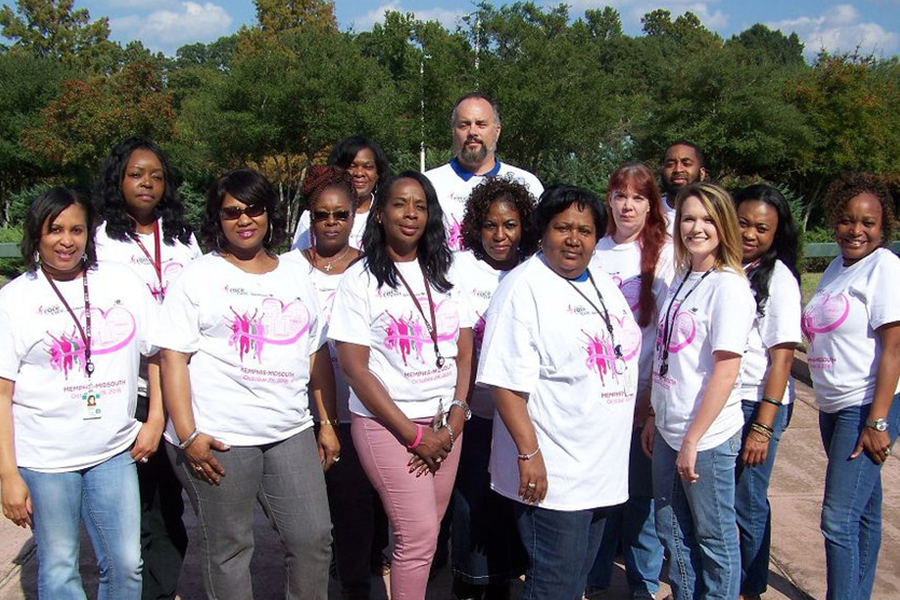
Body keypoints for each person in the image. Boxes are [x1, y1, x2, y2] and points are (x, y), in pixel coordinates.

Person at [157, 168, 337, 600]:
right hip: (219, 436)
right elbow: (172, 359)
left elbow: (315, 356)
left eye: (253, 209)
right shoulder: (198, 276)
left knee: (313, 538)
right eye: (232, 211)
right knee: (230, 548)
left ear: (268, 214)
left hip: (288, 430)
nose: (244, 219)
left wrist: (326, 422)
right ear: (217, 219)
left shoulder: (295, 275)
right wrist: (188, 435)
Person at [477, 185, 640, 600]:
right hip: (555, 475)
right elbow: (505, 384)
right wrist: (530, 454)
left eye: (585, 230)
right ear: (541, 232)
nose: (573, 238)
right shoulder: (523, 288)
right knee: (555, 588)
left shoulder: (599, 280)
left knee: (573, 584)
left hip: (600, 471)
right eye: (562, 227)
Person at [0, 188, 159, 598]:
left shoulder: (121, 282)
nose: (66, 240)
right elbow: (2, 394)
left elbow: (158, 353)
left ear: (90, 234)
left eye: (76, 229)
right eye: (55, 230)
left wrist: (155, 418)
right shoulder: (15, 299)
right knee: (58, 567)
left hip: (113, 452)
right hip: (46, 460)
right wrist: (8, 475)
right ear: (37, 234)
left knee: (126, 564)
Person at [329, 171, 475, 600]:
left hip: (445, 424)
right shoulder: (360, 280)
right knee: (418, 534)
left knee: (426, 533)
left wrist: (458, 416)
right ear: (379, 215)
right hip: (389, 424)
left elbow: (464, 351)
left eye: (420, 205)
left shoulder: (447, 271)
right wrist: (414, 436)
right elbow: (355, 369)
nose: (410, 214)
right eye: (399, 204)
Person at [94, 135, 201, 600]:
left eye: (156, 176)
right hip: (129, 389)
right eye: (137, 174)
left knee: (167, 505)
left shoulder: (181, 236)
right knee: (130, 506)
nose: (147, 184)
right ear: (118, 180)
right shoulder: (99, 240)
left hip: (180, 384)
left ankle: (163, 588)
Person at [641, 182, 755, 600]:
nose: (696, 227)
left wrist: (691, 440)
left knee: (714, 538)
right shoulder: (684, 277)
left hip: (705, 436)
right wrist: (655, 415)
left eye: (708, 219)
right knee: (671, 528)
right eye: (688, 218)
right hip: (671, 427)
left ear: (724, 225)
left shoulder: (728, 286)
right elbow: (669, 355)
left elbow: (725, 371)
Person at [285, 164, 390, 600]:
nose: (331, 223)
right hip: (295, 410)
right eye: (322, 215)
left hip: (353, 408)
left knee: (355, 508)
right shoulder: (287, 268)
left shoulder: (371, 270)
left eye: (341, 215)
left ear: (354, 217)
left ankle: (355, 583)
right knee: (305, 516)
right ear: (310, 216)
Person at [801, 173, 900, 600]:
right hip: (832, 404)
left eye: (867, 223)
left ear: (883, 227)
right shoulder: (837, 268)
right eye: (846, 220)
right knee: (862, 514)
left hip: (866, 405)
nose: (856, 230)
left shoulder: (884, 268)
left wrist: (878, 421)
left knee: (837, 519)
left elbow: (894, 348)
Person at [586, 163, 673, 600]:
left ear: (651, 204)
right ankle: (594, 577)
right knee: (601, 494)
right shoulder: (594, 250)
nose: (627, 205)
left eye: (638, 197)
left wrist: (651, 401)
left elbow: (672, 334)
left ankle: (643, 584)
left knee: (640, 498)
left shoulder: (665, 254)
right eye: (620, 195)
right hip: (601, 396)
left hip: (644, 397)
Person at [449, 175, 538, 600]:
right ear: (475, 227)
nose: (500, 235)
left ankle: (502, 580)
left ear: (524, 226)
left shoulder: (536, 269)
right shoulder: (460, 267)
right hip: (472, 408)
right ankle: (467, 579)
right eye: (490, 225)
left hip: (519, 412)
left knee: (509, 502)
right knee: (470, 503)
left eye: (510, 225)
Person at [732, 185, 802, 600]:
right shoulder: (722, 269)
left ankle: (749, 588)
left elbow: (782, 359)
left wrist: (763, 425)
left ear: (777, 235)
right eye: (743, 222)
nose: (751, 234)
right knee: (728, 499)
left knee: (749, 500)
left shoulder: (779, 280)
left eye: (762, 228)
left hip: (757, 403)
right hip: (724, 401)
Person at [425, 92, 543, 250]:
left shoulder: (527, 183)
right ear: (454, 131)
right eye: (464, 125)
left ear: (497, 131)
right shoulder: (428, 184)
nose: (472, 132)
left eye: (481, 124)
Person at [292, 136, 391, 251]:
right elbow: (298, 261)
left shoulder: (387, 215)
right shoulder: (314, 215)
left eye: (367, 167)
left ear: (378, 174)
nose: (359, 173)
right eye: (351, 166)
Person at [660, 142, 707, 234]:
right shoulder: (648, 211)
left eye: (686, 164)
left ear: (702, 173)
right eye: (670, 164)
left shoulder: (714, 212)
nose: (678, 169)